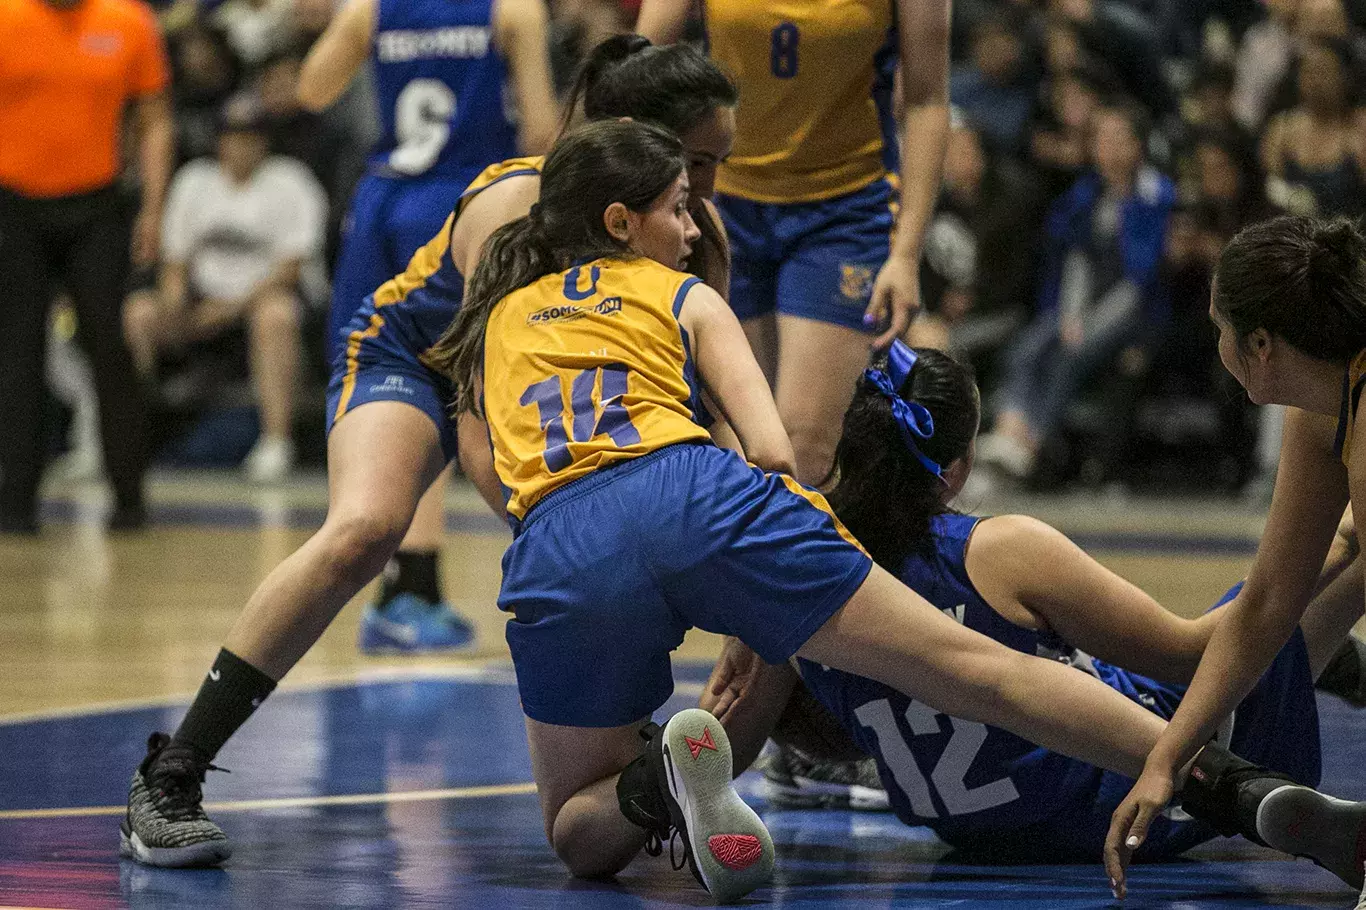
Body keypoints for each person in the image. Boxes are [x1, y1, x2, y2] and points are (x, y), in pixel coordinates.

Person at [417, 118, 1340, 900]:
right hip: (696, 490)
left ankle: (654, 786)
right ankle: (1227, 782)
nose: (693, 225)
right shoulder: (678, 290)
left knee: (576, 831)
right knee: (980, 669)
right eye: (676, 208)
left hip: (557, 536)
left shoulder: (493, 317)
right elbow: (776, 449)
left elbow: (485, 465)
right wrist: (752, 592)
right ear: (622, 222)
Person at [118, 37, 739, 868]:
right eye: (698, 162)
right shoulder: (516, 207)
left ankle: (666, 756)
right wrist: (576, 556)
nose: (711, 188)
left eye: (718, 165)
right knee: (367, 527)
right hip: (417, 357)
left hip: (525, 393)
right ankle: (170, 774)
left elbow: (703, 403)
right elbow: (488, 427)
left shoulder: (689, 227)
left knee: (617, 538)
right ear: (631, 135)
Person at [702, 344, 1366, 892]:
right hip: (1125, 800)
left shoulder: (796, 566)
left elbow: (737, 740)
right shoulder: (1003, 552)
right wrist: (1297, 571)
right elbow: (1192, 655)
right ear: (957, 472)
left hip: (973, 828)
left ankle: (1325, 656)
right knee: (1271, 611)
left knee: (1262, 635)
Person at [1107, 214, 1366, 899]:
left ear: (1259, 344)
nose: (1213, 340)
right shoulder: (1322, 406)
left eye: (1219, 327)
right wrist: (1168, 756)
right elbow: (1268, 603)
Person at [297, 0, 559, 646]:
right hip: (466, 207)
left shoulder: (372, 8)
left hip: (382, 206)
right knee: (460, 396)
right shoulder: (513, 10)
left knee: (380, 382)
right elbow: (541, 134)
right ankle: (422, 583)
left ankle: (400, 581)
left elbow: (311, 88)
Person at [637, 0, 951, 486]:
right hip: (722, 201)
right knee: (732, 438)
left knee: (805, 447)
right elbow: (640, 64)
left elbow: (928, 100)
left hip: (845, 210)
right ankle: (737, 558)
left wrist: (907, 254)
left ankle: (800, 557)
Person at [0, 0, 174, 533]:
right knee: (17, 350)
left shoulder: (128, 22)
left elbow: (156, 122)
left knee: (109, 345)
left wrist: (154, 207)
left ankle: (130, 499)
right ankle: (15, 504)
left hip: (98, 207)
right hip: (14, 206)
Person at [123, 95, 328, 483]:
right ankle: (125, 437)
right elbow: (175, 263)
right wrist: (174, 303)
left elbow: (290, 270)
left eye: (250, 137)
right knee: (139, 313)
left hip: (261, 305)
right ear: (219, 141)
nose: (241, 146)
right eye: (233, 137)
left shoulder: (290, 181)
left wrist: (229, 309)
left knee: (275, 315)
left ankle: (276, 442)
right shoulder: (194, 181)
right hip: (200, 306)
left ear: (264, 142)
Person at [977, 100, 1174, 481]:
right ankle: (1009, 430)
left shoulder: (1157, 195)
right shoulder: (1086, 195)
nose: (1108, 147)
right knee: (1029, 347)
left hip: (1134, 312)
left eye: (1118, 138)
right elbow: (1075, 259)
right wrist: (1070, 317)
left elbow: (1140, 282)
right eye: (1101, 139)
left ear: (1137, 145)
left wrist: (1088, 327)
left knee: (1069, 356)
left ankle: (1032, 442)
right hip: (1080, 307)